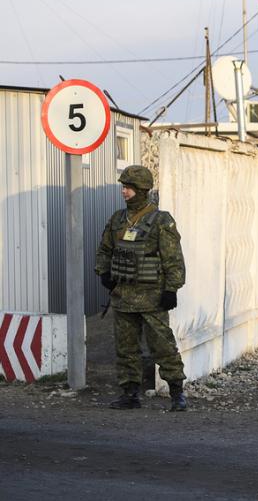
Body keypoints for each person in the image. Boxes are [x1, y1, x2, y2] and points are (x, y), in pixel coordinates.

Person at [95, 165, 188, 411]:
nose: (124, 192)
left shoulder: (161, 220)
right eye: (123, 187)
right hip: (123, 296)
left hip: (152, 297)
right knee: (126, 348)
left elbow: (173, 258)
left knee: (163, 346)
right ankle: (129, 394)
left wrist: (171, 289)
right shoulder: (117, 219)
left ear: (142, 189)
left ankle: (177, 393)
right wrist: (104, 273)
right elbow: (105, 250)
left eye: (129, 188)